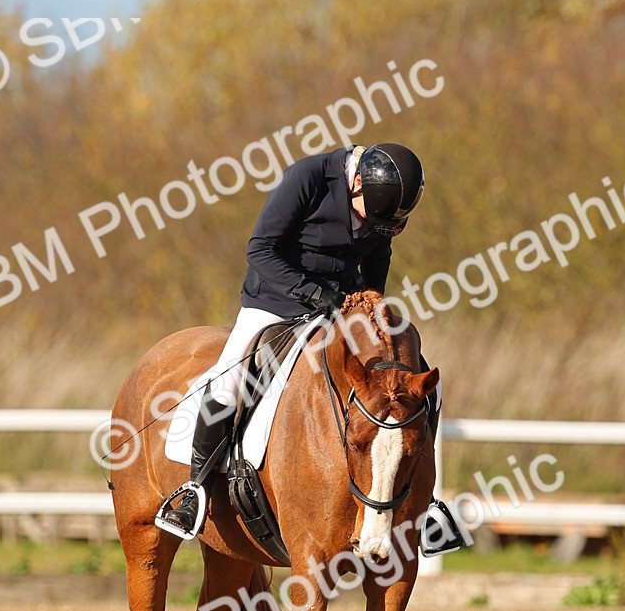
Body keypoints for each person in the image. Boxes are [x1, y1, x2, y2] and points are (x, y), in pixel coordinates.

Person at [155, 142, 466, 555]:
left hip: (343, 311)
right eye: (366, 216)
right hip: (276, 303)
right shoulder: (307, 178)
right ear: (357, 182)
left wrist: (371, 306)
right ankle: (195, 489)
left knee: (423, 387)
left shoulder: (380, 208)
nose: (368, 226)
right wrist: (314, 294)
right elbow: (260, 249)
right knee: (230, 381)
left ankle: (425, 503)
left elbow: (378, 259)